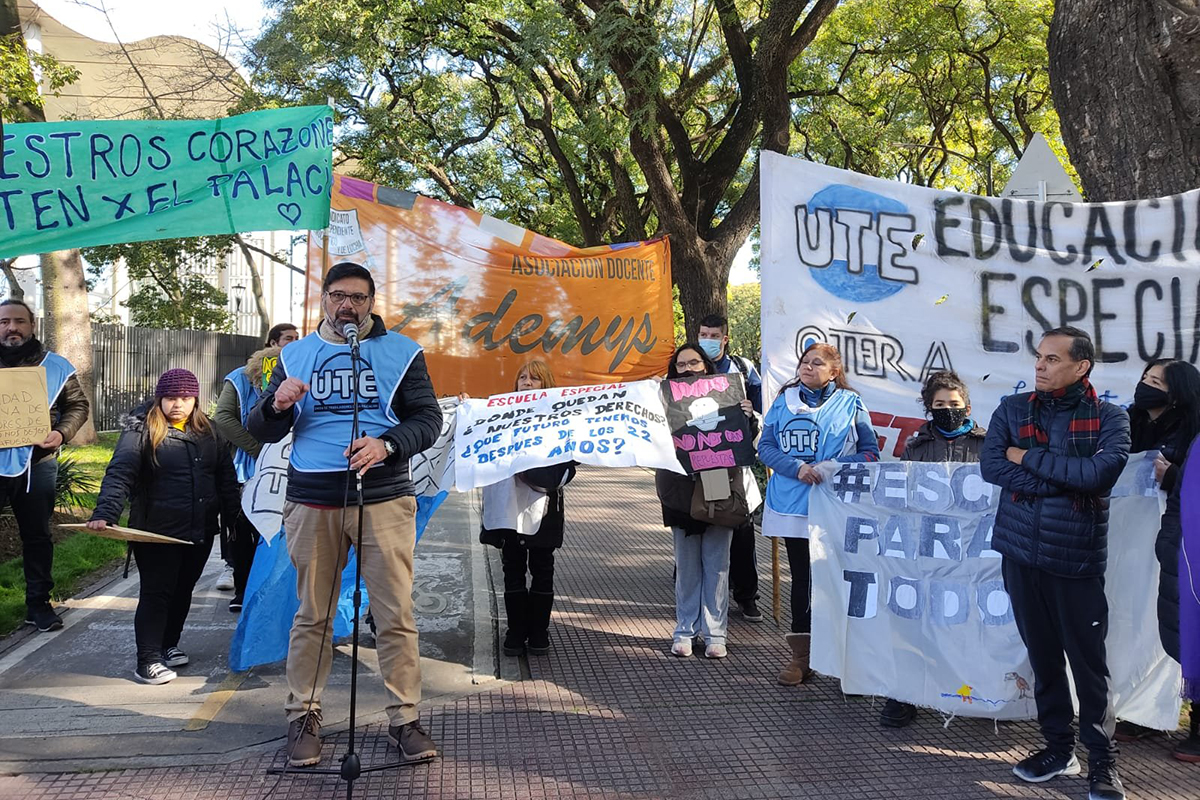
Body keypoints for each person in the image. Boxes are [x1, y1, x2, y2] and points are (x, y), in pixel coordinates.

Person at [247, 261, 443, 768]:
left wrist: (387, 444)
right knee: (313, 614)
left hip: (383, 498)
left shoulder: (402, 352)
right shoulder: (294, 354)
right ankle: (303, 717)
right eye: (338, 296)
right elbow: (261, 429)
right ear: (324, 301)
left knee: (395, 615)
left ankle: (405, 718)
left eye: (358, 297)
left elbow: (428, 419)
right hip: (312, 501)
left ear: (372, 302)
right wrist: (276, 406)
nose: (347, 306)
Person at [980, 326, 1130, 800]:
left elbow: (1098, 475)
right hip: (1020, 554)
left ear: (1081, 366)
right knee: (1043, 658)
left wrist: (1026, 457)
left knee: (1089, 666)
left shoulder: (1111, 418)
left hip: (1076, 559)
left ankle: (1103, 761)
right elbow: (992, 467)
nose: (1039, 366)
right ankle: (1058, 748)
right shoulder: (1011, 409)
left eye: (1051, 359)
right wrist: (1066, 480)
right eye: (1038, 357)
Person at [86, 369, 240, 684]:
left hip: (199, 531)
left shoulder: (211, 432)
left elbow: (226, 480)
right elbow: (120, 472)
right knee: (157, 593)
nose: (178, 404)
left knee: (183, 591)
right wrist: (106, 512)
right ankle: (148, 660)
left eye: (185, 397)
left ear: (195, 399)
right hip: (156, 532)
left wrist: (235, 520)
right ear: (160, 398)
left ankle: (169, 645)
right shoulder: (141, 430)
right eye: (171, 398)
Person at [758, 341, 879, 686]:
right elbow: (765, 447)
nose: (807, 367)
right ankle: (802, 656)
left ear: (833, 371)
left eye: (816, 363)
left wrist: (832, 467)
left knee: (840, 578)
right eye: (804, 362)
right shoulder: (784, 401)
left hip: (837, 506)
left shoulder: (851, 403)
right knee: (804, 579)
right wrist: (796, 467)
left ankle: (847, 658)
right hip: (793, 506)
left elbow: (871, 454)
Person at [880, 370, 985, 728]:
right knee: (917, 622)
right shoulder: (916, 446)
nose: (948, 410)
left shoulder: (987, 444)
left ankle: (977, 692)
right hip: (927, 547)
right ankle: (906, 695)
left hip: (973, 551)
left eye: (954, 404)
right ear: (928, 408)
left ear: (967, 406)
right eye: (939, 405)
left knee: (970, 622)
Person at [1117, 359, 1200, 761]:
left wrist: (1174, 477)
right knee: (1141, 626)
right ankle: (1142, 711)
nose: (1145, 387)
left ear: (1178, 392)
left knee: (1185, 629)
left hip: (1181, 545)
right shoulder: (1126, 424)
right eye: (1144, 378)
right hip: (1133, 547)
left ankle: (1196, 722)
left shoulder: (1193, 431)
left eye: (1156, 382)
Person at [655, 343, 759, 659]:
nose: (688, 369)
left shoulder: (729, 395)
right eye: (681, 364)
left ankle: (716, 633)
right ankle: (685, 630)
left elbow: (746, 442)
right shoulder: (662, 400)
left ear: (706, 366)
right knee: (687, 567)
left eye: (694, 363)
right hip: (679, 487)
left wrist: (747, 418)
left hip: (719, 482)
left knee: (717, 564)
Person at [0, 299, 91, 633]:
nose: (12, 328)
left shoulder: (55, 366)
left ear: (32, 325)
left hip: (37, 464)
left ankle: (38, 604)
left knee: (37, 536)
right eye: (5, 322)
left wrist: (61, 432)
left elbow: (77, 406)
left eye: (19, 321)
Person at [480, 359, 577, 657]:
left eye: (534, 378)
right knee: (512, 569)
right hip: (508, 506)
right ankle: (515, 631)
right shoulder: (502, 414)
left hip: (544, 507)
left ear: (545, 383)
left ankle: (538, 632)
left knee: (542, 569)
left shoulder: (561, 418)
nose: (526, 382)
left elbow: (570, 461)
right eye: (522, 377)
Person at [211, 322, 300, 611]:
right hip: (244, 468)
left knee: (277, 530)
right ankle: (243, 588)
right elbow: (223, 418)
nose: (292, 344)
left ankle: (273, 591)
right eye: (288, 339)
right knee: (241, 528)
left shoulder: (301, 375)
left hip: (286, 468)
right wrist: (259, 450)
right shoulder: (239, 378)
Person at [698, 313, 764, 622]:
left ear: (725, 338)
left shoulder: (743, 369)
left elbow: (762, 412)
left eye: (713, 335)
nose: (707, 340)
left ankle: (747, 595)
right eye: (703, 334)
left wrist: (752, 415)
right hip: (700, 461)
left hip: (734, 461)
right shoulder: (690, 366)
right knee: (701, 519)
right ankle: (699, 589)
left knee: (740, 523)